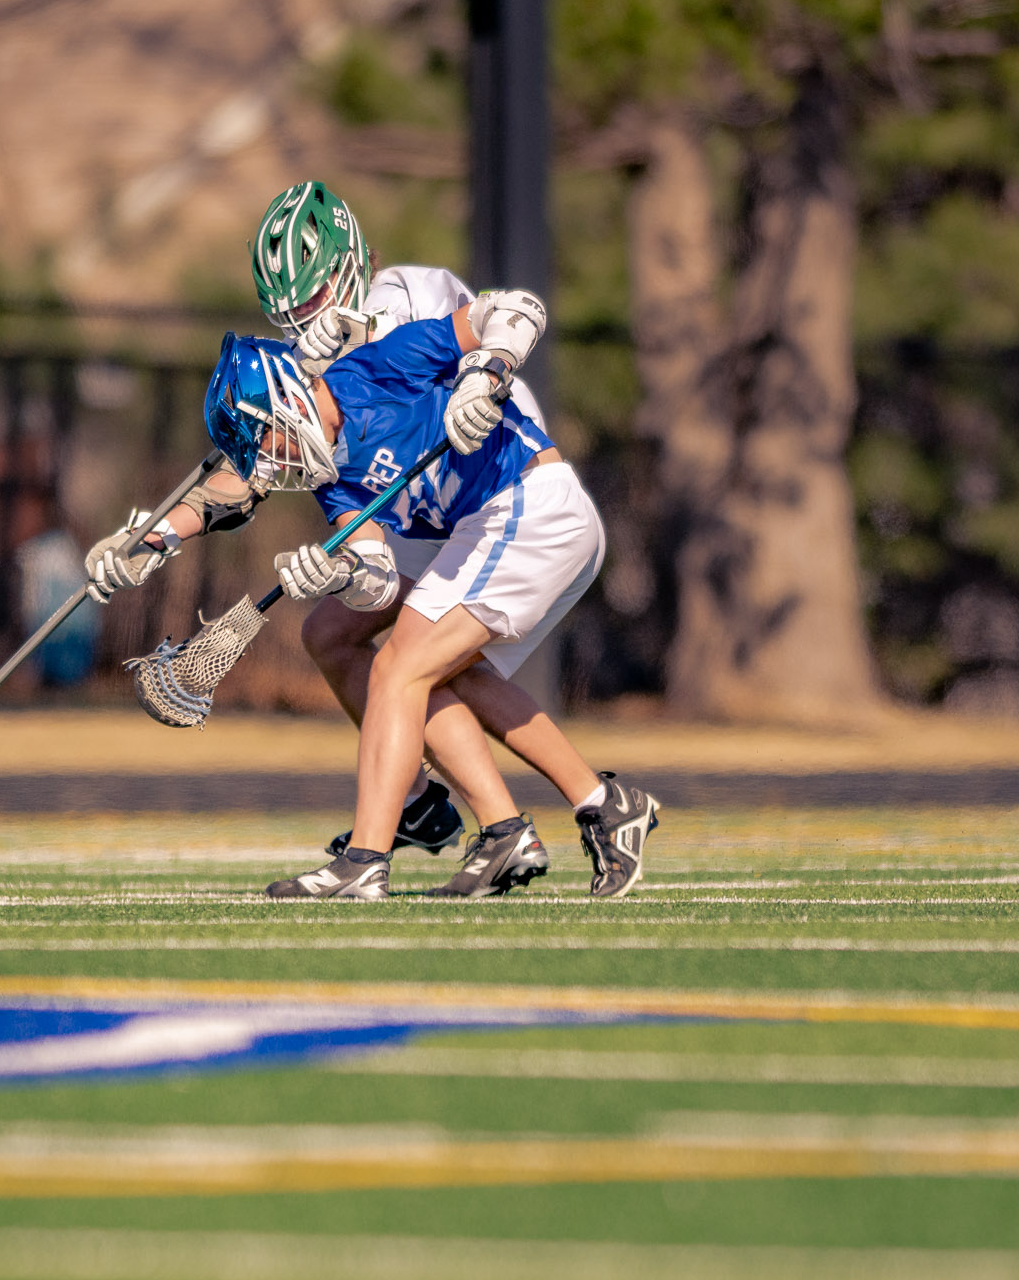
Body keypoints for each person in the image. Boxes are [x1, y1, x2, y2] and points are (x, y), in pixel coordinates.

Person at [87, 182, 659, 899]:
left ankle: (367, 858)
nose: (305, 321)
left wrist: (486, 376)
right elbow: (361, 563)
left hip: (519, 503)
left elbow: (510, 311)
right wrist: (151, 537)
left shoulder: (389, 331)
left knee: (402, 668)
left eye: (312, 300)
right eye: (288, 312)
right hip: (460, 522)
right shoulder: (331, 464)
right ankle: (564, 812)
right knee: (358, 639)